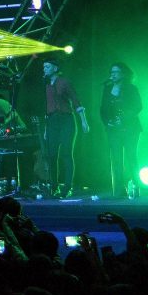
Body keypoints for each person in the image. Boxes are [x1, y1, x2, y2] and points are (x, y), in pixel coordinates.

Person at [42, 59, 89, 198]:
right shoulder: (46, 85)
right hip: (52, 122)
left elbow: (75, 100)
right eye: (44, 67)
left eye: (47, 66)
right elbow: (48, 108)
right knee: (51, 154)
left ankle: (68, 187)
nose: (44, 69)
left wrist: (84, 121)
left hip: (66, 120)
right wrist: (46, 129)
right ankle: (54, 186)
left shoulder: (64, 82)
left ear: (55, 68)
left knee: (66, 153)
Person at [100, 62, 143, 198]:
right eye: (111, 72)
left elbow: (138, 106)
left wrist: (124, 118)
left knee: (131, 156)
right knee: (116, 159)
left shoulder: (131, 88)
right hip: (113, 129)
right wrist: (107, 122)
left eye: (116, 72)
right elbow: (102, 108)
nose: (113, 75)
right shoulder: (107, 89)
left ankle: (135, 187)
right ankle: (119, 190)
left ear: (123, 74)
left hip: (130, 128)